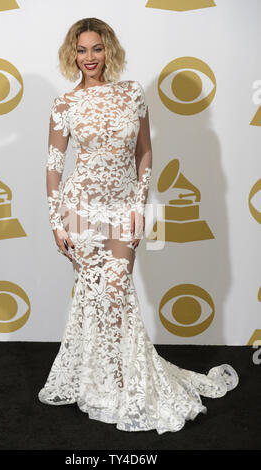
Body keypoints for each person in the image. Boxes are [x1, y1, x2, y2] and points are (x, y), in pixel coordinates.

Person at [38, 17, 239, 434]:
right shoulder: (65, 104)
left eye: (96, 48)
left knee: (116, 293)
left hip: (123, 207)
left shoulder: (132, 94)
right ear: (71, 54)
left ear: (108, 49)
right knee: (95, 298)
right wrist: (56, 220)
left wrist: (139, 206)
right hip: (79, 209)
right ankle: (104, 382)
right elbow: (55, 166)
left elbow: (145, 153)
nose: (89, 57)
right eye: (81, 49)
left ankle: (120, 381)